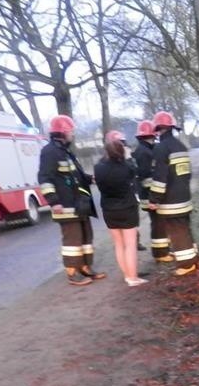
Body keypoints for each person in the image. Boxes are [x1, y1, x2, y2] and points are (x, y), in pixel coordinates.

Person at [37, 114, 106, 286]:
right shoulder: (49, 152)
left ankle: (85, 267)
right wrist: (54, 201)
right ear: (62, 132)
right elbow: (44, 178)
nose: (72, 134)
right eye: (71, 131)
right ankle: (72, 272)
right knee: (72, 240)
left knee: (85, 236)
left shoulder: (65, 152)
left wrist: (90, 178)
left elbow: (75, 175)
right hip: (66, 206)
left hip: (79, 204)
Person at [93, 131, 147, 287]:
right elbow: (136, 172)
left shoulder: (98, 168)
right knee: (130, 244)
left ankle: (127, 275)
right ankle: (133, 277)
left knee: (118, 244)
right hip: (127, 208)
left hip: (109, 209)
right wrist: (128, 156)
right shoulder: (126, 167)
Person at [149, 111, 198, 275]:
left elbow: (159, 178)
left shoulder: (161, 148)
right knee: (185, 228)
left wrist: (154, 199)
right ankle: (193, 256)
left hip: (170, 201)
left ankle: (186, 265)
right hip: (184, 196)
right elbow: (187, 173)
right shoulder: (181, 146)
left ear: (158, 129)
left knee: (177, 232)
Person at [132, 120, 172, 263]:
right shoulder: (144, 153)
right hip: (150, 196)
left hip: (150, 194)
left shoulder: (144, 150)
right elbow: (147, 177)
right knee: (158, 224)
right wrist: (155, 197)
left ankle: (164, 249)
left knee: (160, 222)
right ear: (152, 134)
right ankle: (160, 253)